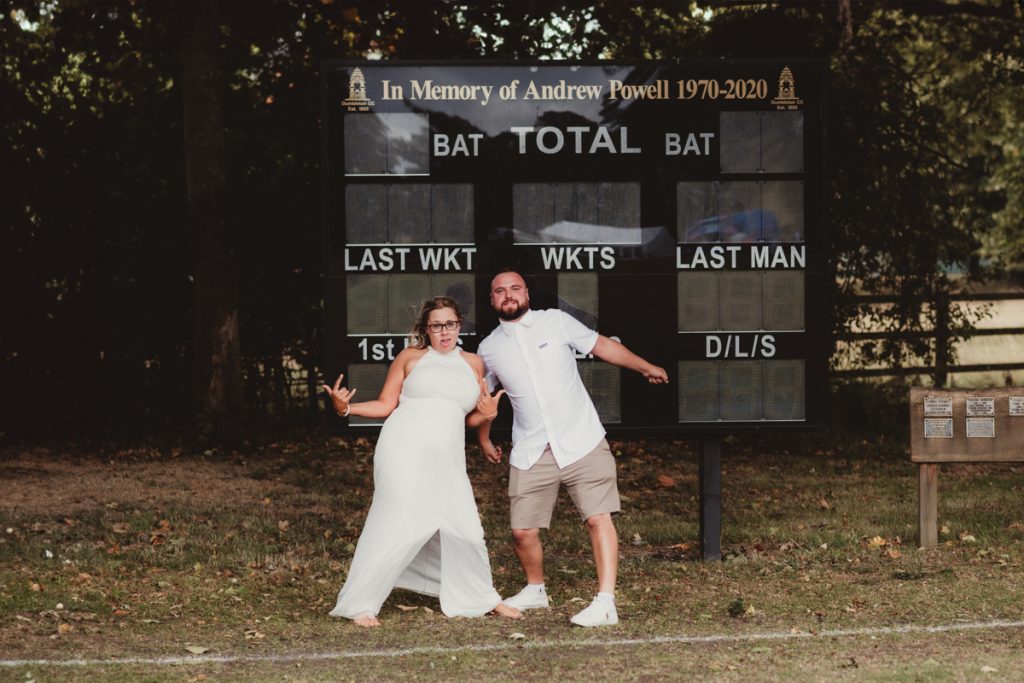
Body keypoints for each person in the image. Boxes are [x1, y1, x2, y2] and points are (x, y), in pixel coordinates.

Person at [477, 270, 668, 627]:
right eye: (500, 291)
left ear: (527, 294)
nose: (508, 295)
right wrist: (484, 437)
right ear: (492, 301)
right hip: (532, 449)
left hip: (582, 440)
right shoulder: (489, 348)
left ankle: (606, 602)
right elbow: (483, 401)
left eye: (515, 288)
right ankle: (536, 589)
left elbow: (603, 346)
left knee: (599, 518)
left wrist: (644, 367)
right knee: (522, 532)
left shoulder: (556, 322)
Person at [323, 296, 521, 626]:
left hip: (447, 457)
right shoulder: (411, 358)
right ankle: (360, 603)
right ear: (426, 329)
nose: (445, 332)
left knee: (467, 528)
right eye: (437, 325)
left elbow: (471, 417)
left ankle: (481, 597)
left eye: (451, 324)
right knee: (397, 519)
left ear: (460, 325)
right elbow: (386, 405)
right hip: (402, 448)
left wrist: (486, 420)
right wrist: (346, 409)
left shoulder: (473, 363)